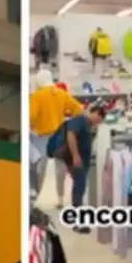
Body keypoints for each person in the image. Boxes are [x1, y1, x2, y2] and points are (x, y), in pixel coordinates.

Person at [47, 106, 106, 233]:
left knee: (79, 188)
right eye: (100, 117)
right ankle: (77, 222)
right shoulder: (80, 120)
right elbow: (70, 134)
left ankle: (78, 220)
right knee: (79, 188)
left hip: (79, 161)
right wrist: (75, 156)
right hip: (76, 161)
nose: (99, 121)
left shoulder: (88, 125)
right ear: (95, 112)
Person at [29, 69, 83, 205]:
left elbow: (31, 116)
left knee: (40, 167)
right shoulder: (62, 94)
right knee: (60, 168)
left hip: (42, 136)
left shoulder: (36, 96)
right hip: (60, 134)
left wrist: (32, 126)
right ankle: (60, 198)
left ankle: (38, 196)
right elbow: (79, 109)